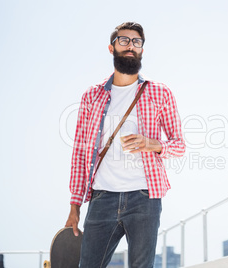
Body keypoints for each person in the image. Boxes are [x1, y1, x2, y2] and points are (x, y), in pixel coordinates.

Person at [65, 21, 186, 268]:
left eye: (136, 42)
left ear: (142, 50)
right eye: (124, 40)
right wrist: (75, 206)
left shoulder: (160, 93)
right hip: (101, 198)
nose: (131, 46)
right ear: (112, 48)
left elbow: (179, 145)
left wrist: (151, 144)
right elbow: (80, 153)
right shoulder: (92, 95)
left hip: (144, 197)